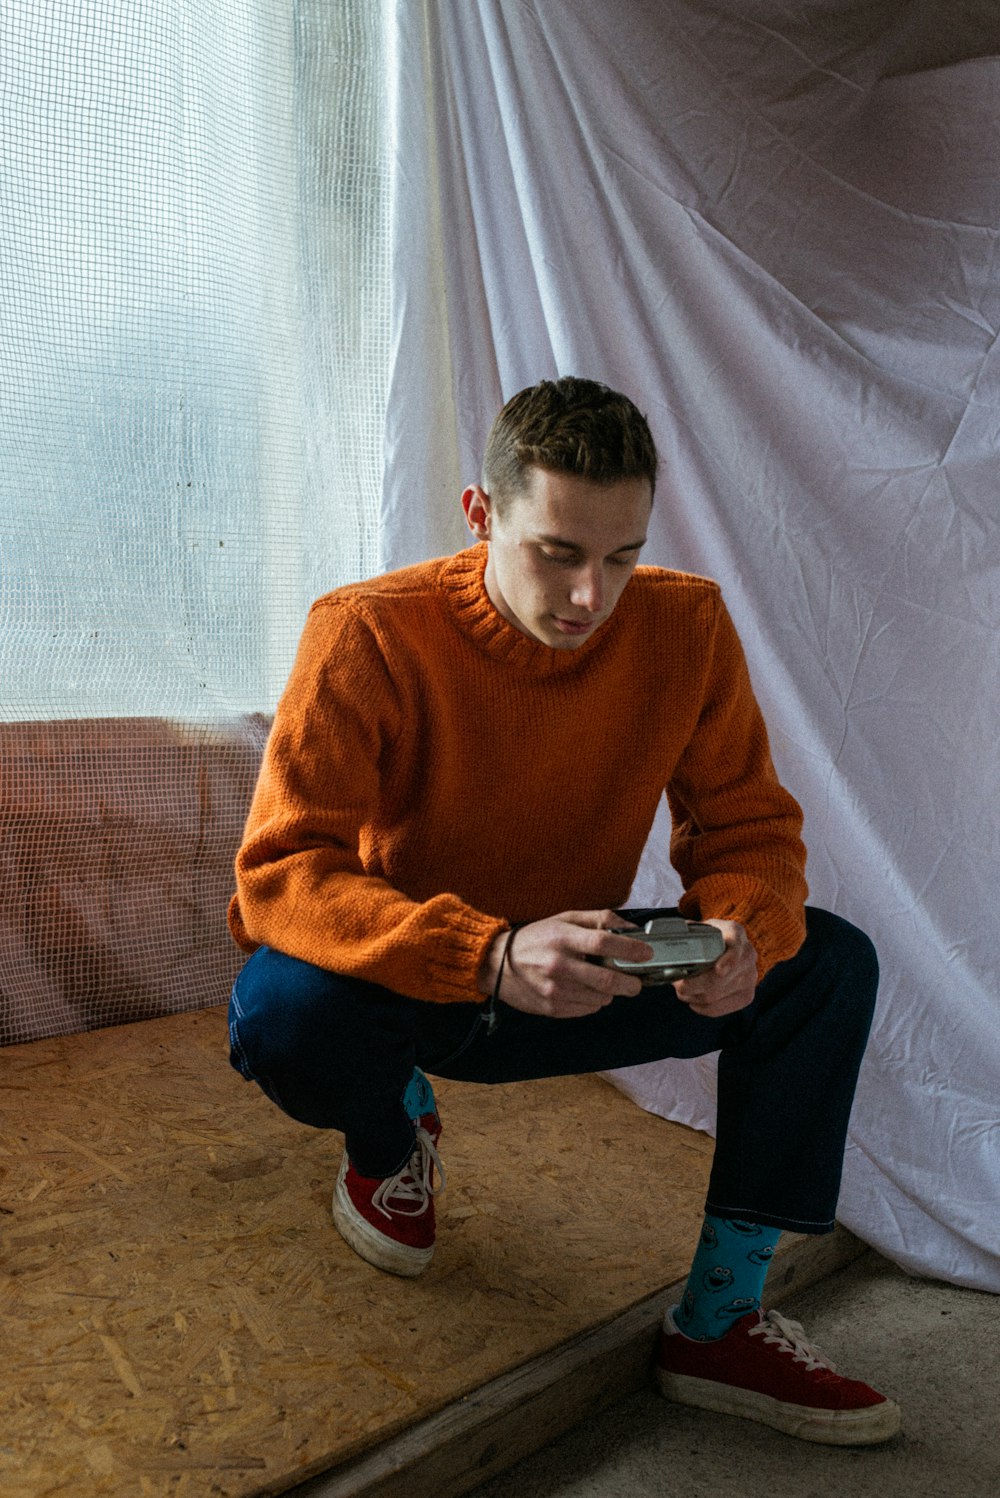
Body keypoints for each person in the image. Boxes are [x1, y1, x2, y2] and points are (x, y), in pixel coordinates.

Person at [227, 377, 900, 1446]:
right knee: (278, 1008)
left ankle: (719, 1315)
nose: (592, 594)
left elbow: (748, 833)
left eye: (622, 556)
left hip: (579, 972)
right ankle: (385, 1138)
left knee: (827, 964)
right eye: (558, 552)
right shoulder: (363, 631)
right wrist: (485, 952)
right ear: (481, 515)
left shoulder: (687, 625)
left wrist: (740, 931)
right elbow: (279, 873)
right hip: (429, 977)